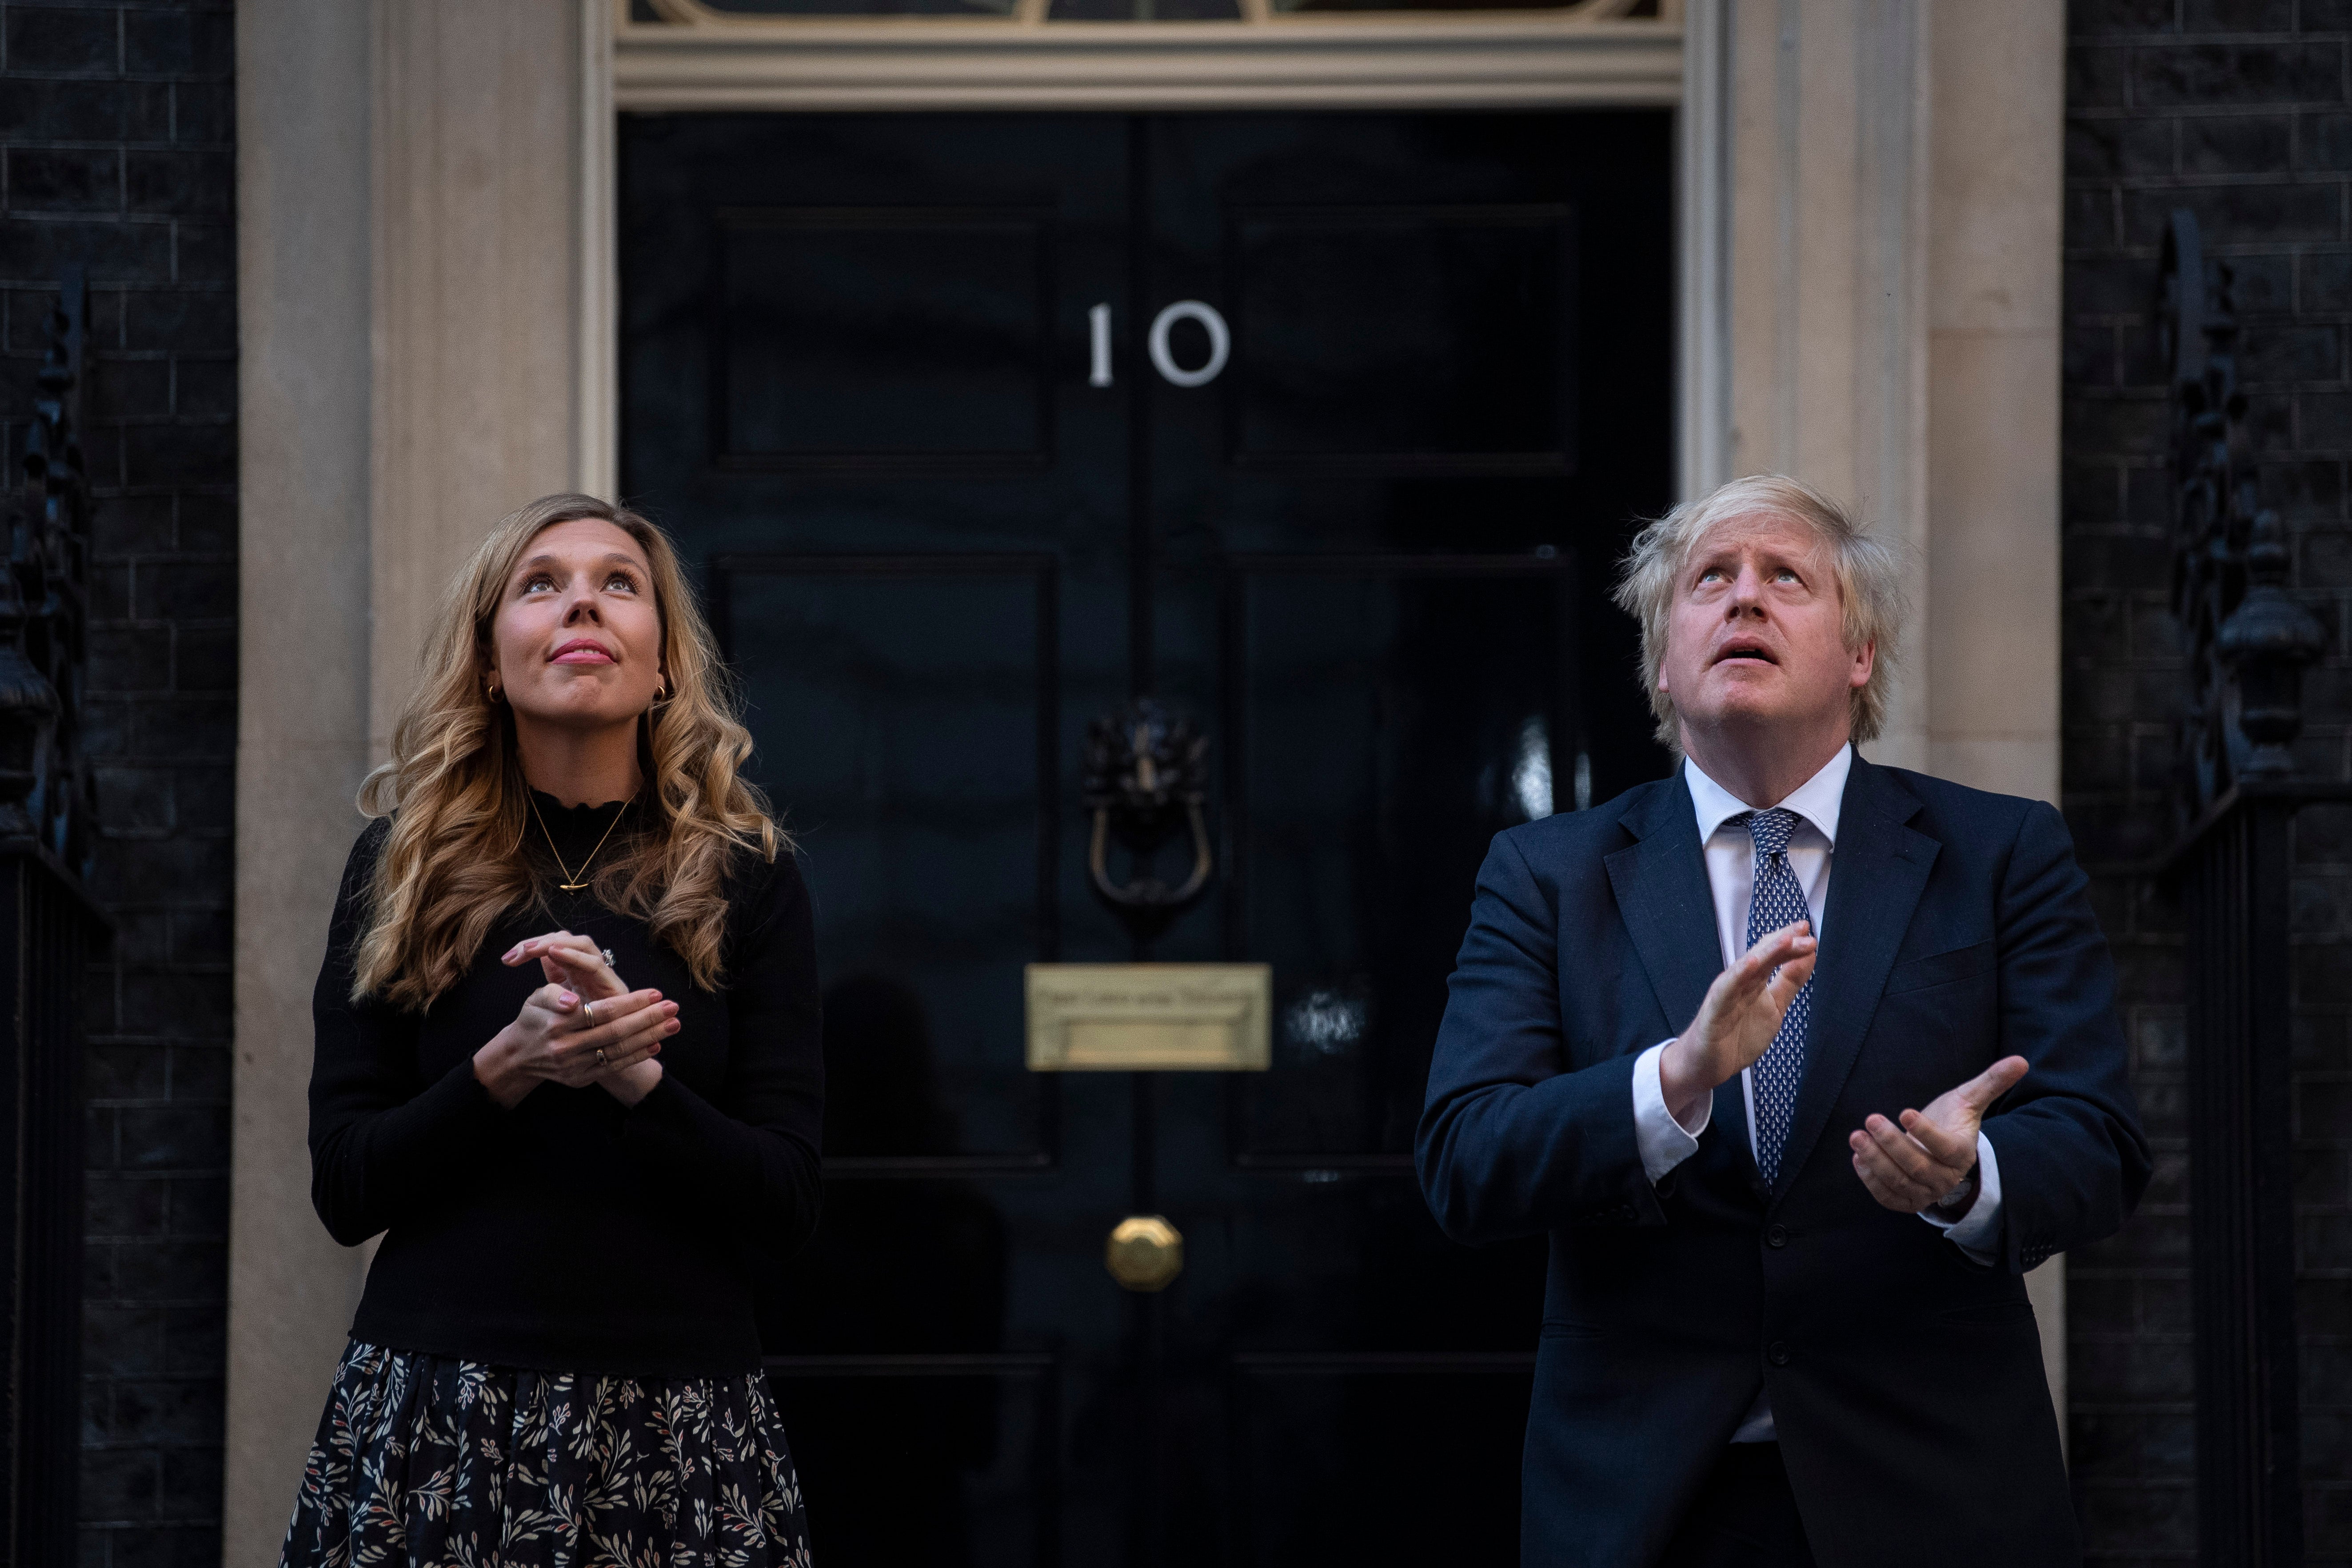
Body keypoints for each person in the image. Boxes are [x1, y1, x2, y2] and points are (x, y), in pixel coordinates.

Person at [1416, 475, 2148, 1568]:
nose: (1743, 599)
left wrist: (1968, 1175)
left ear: (1858, 656)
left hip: (1935, 1492)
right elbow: (1466, 1158)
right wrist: (1672, 1080)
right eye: (1710, 580)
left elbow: (2098, 1138)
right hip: (1645, 1502)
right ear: (1665, 662)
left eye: (1784, 577)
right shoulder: (1547, 875)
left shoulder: (2000, 853)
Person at [281, 493, 823, 1567]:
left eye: (620, 584)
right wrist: (502, 1071)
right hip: (444, 1404)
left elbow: (790, 1201)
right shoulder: (404, 866)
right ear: (491, 661)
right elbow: (345, 1188)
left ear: (664, 662)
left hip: (682, 1418)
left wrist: (640, 1083)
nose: (583, 601)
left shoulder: (745, 874)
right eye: (542, 584)